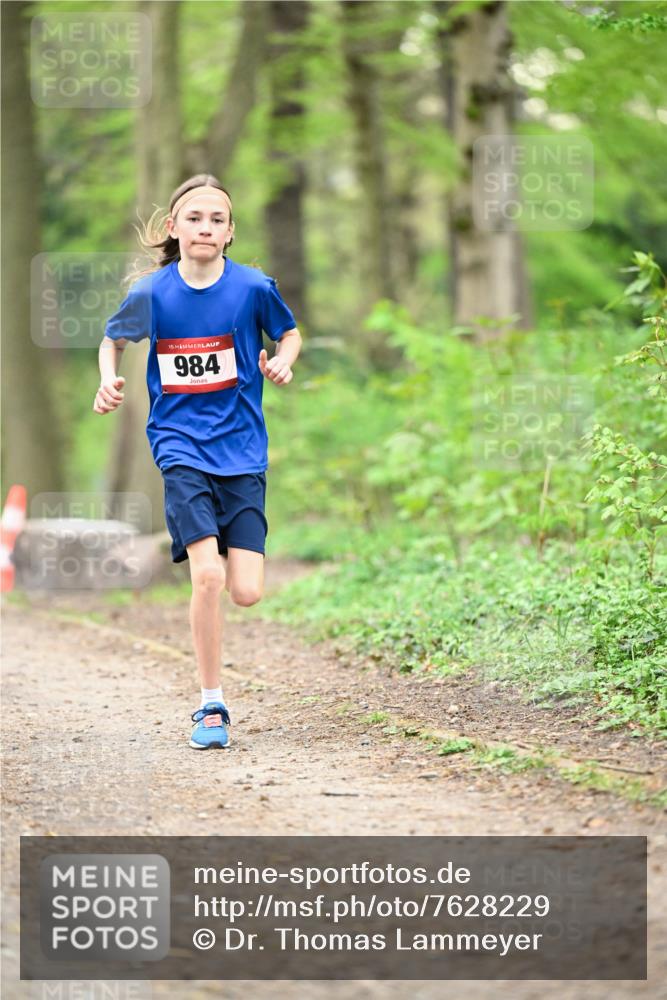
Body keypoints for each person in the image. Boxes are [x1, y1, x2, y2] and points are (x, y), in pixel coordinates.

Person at [94, 173, 302, 750]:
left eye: (216, 219)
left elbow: (288, 334)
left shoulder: (254, 288)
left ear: (230, 233)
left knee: (246, 591)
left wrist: (282, 362)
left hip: (242, 451)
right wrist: (109, 379)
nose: (205, 227)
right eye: (194, 218)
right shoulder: (153, 294)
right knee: (207, 576)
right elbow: (113, 339)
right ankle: (211, 704)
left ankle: (230, 547)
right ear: (174, 228)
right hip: (179, 443)